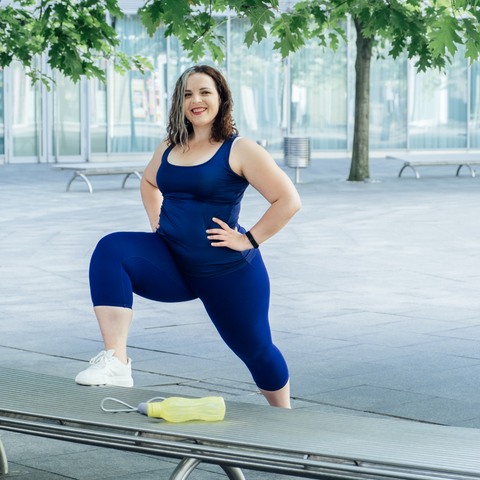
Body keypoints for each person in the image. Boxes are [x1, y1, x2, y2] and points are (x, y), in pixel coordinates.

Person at [75, 65, 301, 408]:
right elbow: (149, 182)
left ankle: (284, 416)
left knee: (257, 350)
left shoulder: (240, 149)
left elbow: (288, 200)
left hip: (225, 272)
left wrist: (249, 239)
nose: (196, 100)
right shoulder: (169, 146)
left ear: (221, 98)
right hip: (172, 263)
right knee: (112, 249)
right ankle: (117, 362)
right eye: (187, 94)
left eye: (205, 92)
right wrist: (156, 220)